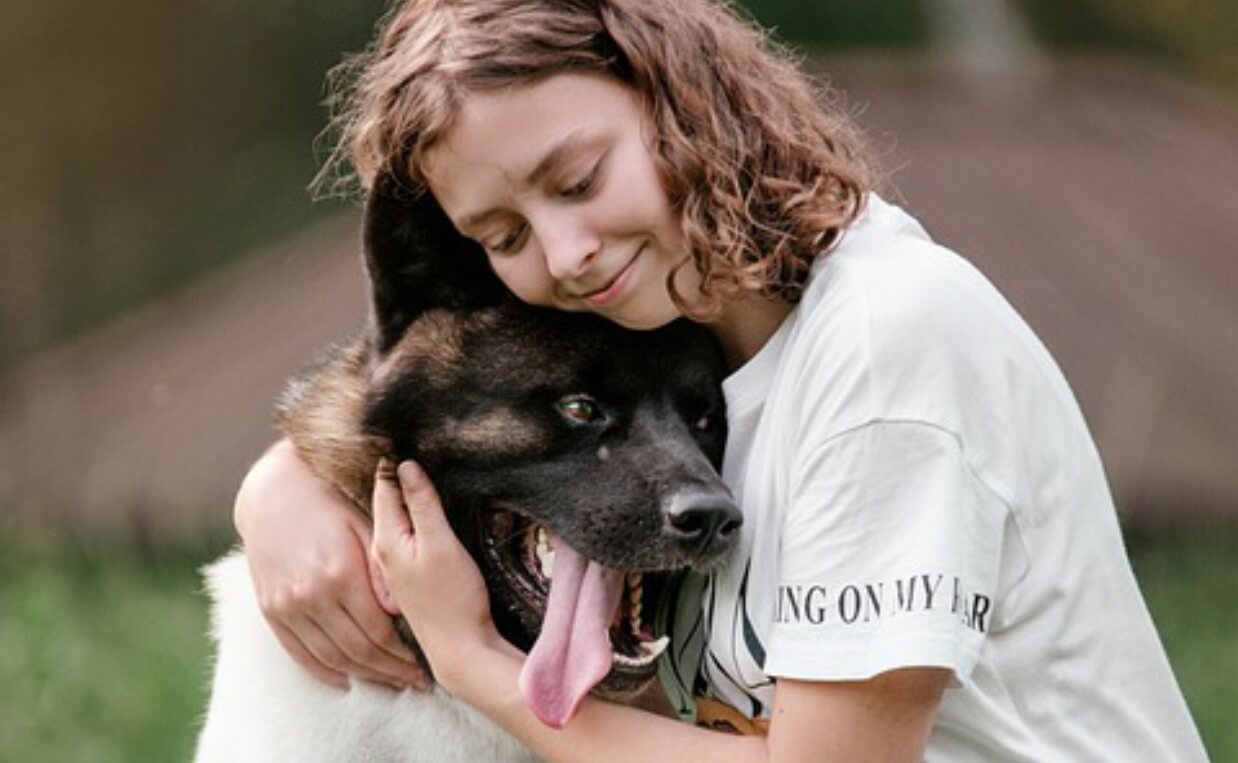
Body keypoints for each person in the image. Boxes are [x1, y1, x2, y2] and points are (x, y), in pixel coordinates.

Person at [233, 0, 1207, 759]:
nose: (564, 252)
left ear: (675, 93)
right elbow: (449, 380)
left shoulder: (882, 344)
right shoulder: (663, 329)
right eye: (504, 235)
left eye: (576, 180)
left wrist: (472, 663)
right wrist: (287, 481)